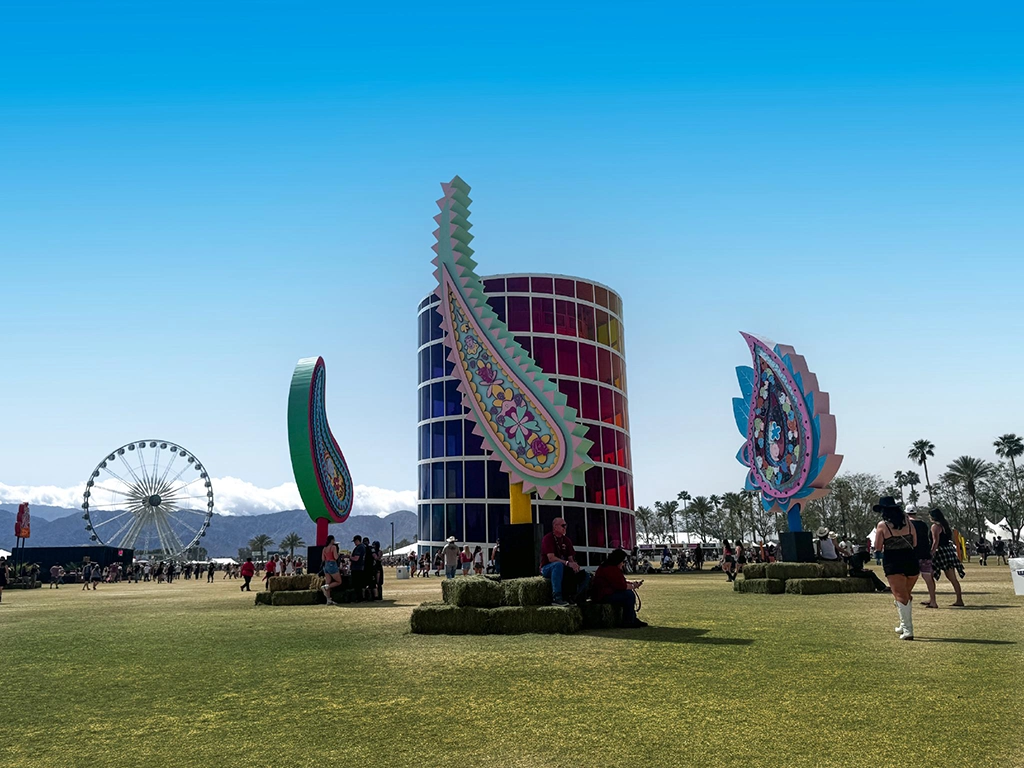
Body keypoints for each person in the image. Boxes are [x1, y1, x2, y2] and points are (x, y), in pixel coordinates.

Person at [873, 496, 919, 641]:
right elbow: (915, 542)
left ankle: (908, 630)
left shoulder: (882, 525)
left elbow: (878, 547)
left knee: (901, 596)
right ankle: (902, 624)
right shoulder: (909, 523)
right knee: (905, 595)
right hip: (911, 560)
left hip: (894, 562)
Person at [590, 549, 647, 628]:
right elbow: (621, 586)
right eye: (623, 562)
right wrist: (633, 586)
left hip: (604, 594)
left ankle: (632, 619)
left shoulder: (608, 566)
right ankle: (628, 621)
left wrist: (632, 584)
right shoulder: (611, 569)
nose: (623, 564)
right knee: (629, 595)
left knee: (628, 595)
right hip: (603, 596)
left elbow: (620, 582)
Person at [539, 517, 590, 606]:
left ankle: (573, 597)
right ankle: (557, 597)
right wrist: (567, 563)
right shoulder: (548, 538)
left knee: (586, 575)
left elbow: (571, 558)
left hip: (562, 567)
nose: (565, 528)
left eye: (566, 525)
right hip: (547, 567)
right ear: (555, 526)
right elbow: (551, 558)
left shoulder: (567, 540)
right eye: (563, 525)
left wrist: (574, 565)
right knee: (558, 565)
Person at [929, 509, 965, 607]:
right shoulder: (945, 526)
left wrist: (931, 552)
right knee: (952, 578)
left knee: (929, 576)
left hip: (940, 552)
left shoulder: (935, 526)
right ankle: (959, 599)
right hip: (948, 551)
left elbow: (935, 541)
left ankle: (932, 599)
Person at [907, 510, 938, 609]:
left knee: (908, 577)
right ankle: (933, 601)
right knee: (928, 578)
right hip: (925, 553)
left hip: (913, 554)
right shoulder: (923, 524)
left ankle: (905, 600)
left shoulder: (907, 524)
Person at [350, 536, 367, 601]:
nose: (354, 543)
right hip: (360, 567)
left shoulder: (359, 548)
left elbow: (356, 558)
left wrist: (350, 557)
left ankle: (359, 598)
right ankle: (360, 597)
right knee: (359, 584)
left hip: (357, 568)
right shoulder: (362, 547)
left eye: (354, 541)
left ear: (357, 540)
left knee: (357, 584)